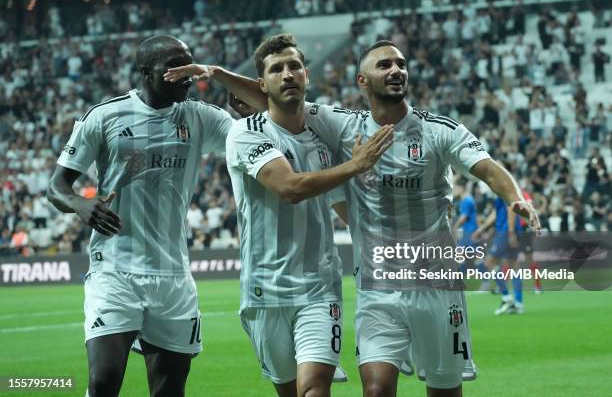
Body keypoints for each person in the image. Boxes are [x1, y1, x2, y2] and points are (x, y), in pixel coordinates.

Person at [165, 39, 540, 397]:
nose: (396, 70)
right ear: (363, 80)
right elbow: (278, 99)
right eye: (385, 64)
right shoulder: (344, 125)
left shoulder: (439, 129)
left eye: (401, 64)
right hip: (377, 290)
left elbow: (488, 168)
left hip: (435, 285)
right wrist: (216, 73)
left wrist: (514, 198)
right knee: (375, 389)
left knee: (444, 390)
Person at [47, 35, 233, 397]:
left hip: (173, 274)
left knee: (169, 390)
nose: (188, 74)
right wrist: (81, 204)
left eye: (190, 64)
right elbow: (57, 186)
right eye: (175, 66)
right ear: (146, 72)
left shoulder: (200, 117)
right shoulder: (104, 116)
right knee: (103, 381)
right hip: (115, 268)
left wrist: (230, 86)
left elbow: (254, 135)